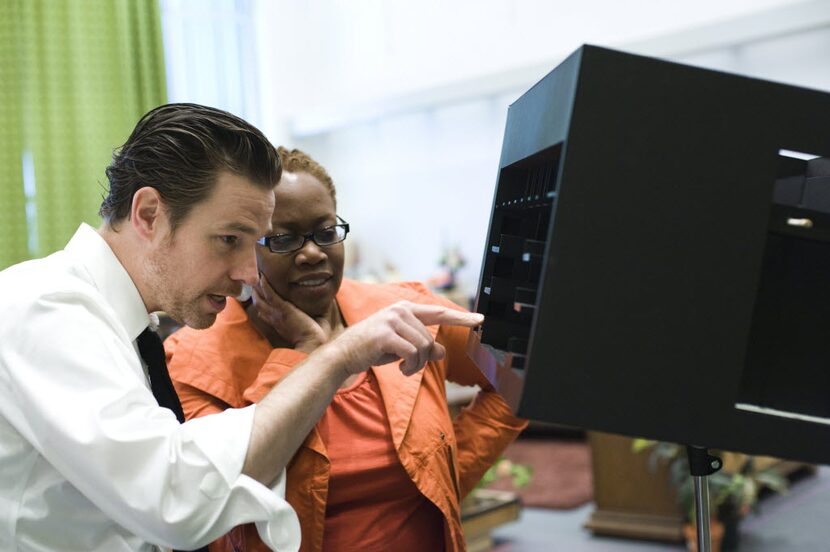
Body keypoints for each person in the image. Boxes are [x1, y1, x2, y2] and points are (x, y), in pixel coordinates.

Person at [0, 104, 483, 552]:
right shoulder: (46, 308)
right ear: (148, 214)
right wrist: (335, 356)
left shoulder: (122, 324)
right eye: (228, 239)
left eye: (253, 244)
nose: (249, 273)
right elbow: (178, 500)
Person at [166, 147, 528, 552]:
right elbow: (217, 496)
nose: (312, 253)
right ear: (241, 248)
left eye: (325, 233)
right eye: (283, 239)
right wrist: (306, 351)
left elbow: (516, 374)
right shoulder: (190, 361)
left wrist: (443, 476)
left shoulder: (401, 310)